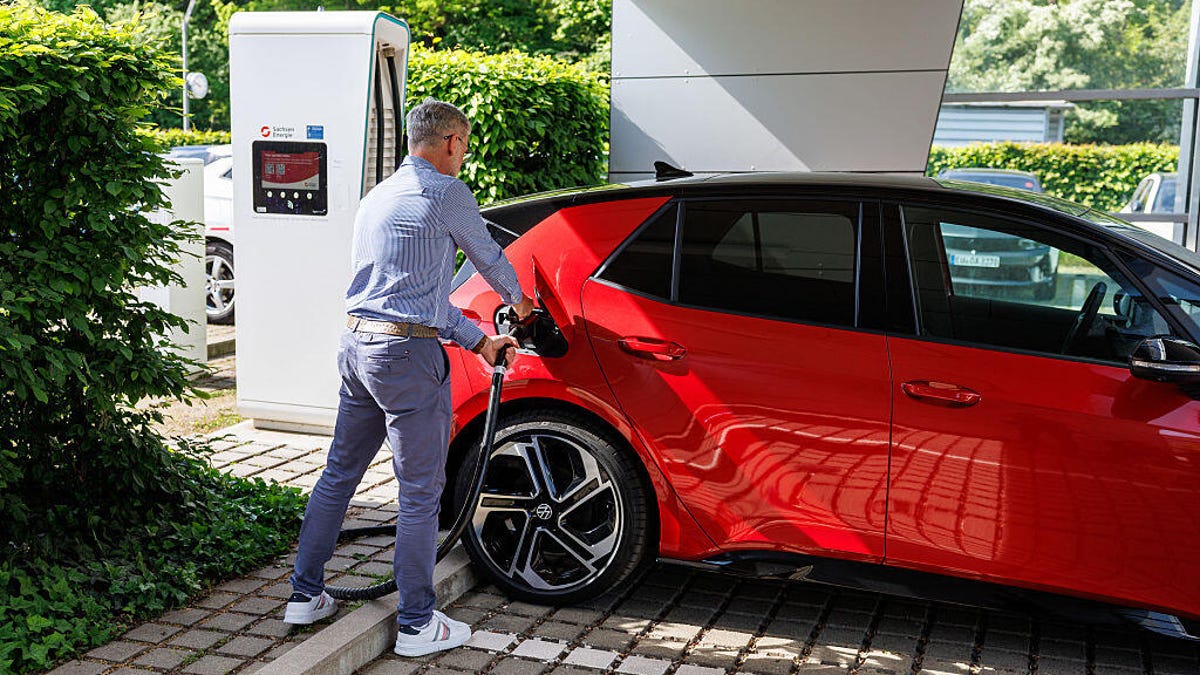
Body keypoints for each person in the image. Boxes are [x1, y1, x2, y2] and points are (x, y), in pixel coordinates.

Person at [283, 98, 533, 658]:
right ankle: (419, 624)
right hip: (406, 357)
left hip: (356, 347)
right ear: (451, 142)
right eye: (463, 146)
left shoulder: (377, 197)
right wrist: (522, 301)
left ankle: (304, 593)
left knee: (338, 474)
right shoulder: (447, 193)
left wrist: (477, 340)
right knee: (420, 493)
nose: (463, 156)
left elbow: (409, 299)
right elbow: (488, 258)